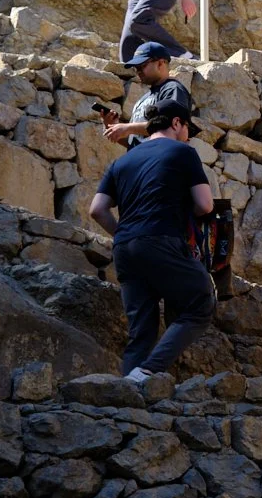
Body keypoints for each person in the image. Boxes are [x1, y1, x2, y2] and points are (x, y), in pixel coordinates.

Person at [89, 107, 215, 382]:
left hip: (125, 248)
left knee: (141, 330)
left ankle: (129, 391)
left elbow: (97, 210)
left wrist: (125, 233)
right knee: (200, 303)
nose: (189, 137)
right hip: (162, 239)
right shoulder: (182, 152)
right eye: (188, 130)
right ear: (176, 122)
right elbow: (205, 205)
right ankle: (150, 370)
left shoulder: (122, 161)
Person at [102, 42, 196, 147]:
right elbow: (134, 143)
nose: (138, 71)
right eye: (136, 68)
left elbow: (169, 127)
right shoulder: (144, 98)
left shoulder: (172, 89)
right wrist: (114, 128)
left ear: (160, 63)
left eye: (142, 66)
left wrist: (128, 128)